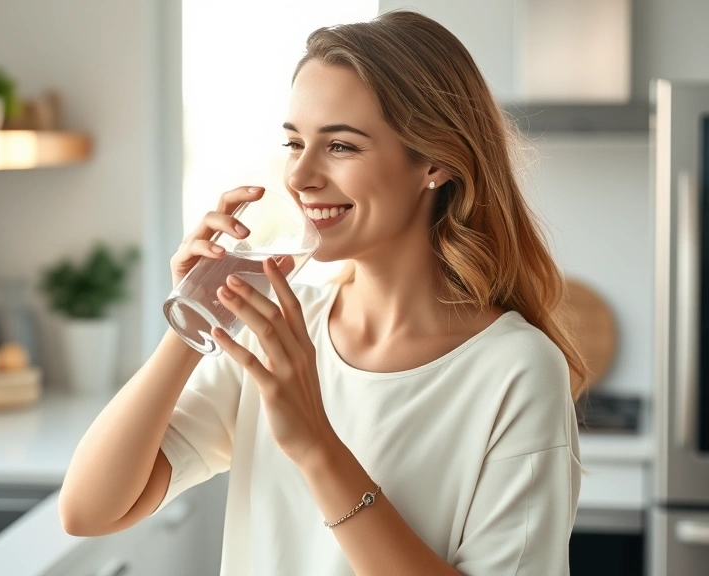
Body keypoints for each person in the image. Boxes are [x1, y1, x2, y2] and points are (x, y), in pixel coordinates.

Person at [59, 10, 585, 576]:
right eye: (294, 143)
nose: (300, 176)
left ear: (435, 161)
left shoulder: (517, 370)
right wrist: (194, 319)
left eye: (341, 147)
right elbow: (90, 509)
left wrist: (316, 446)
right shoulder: (277, 327)